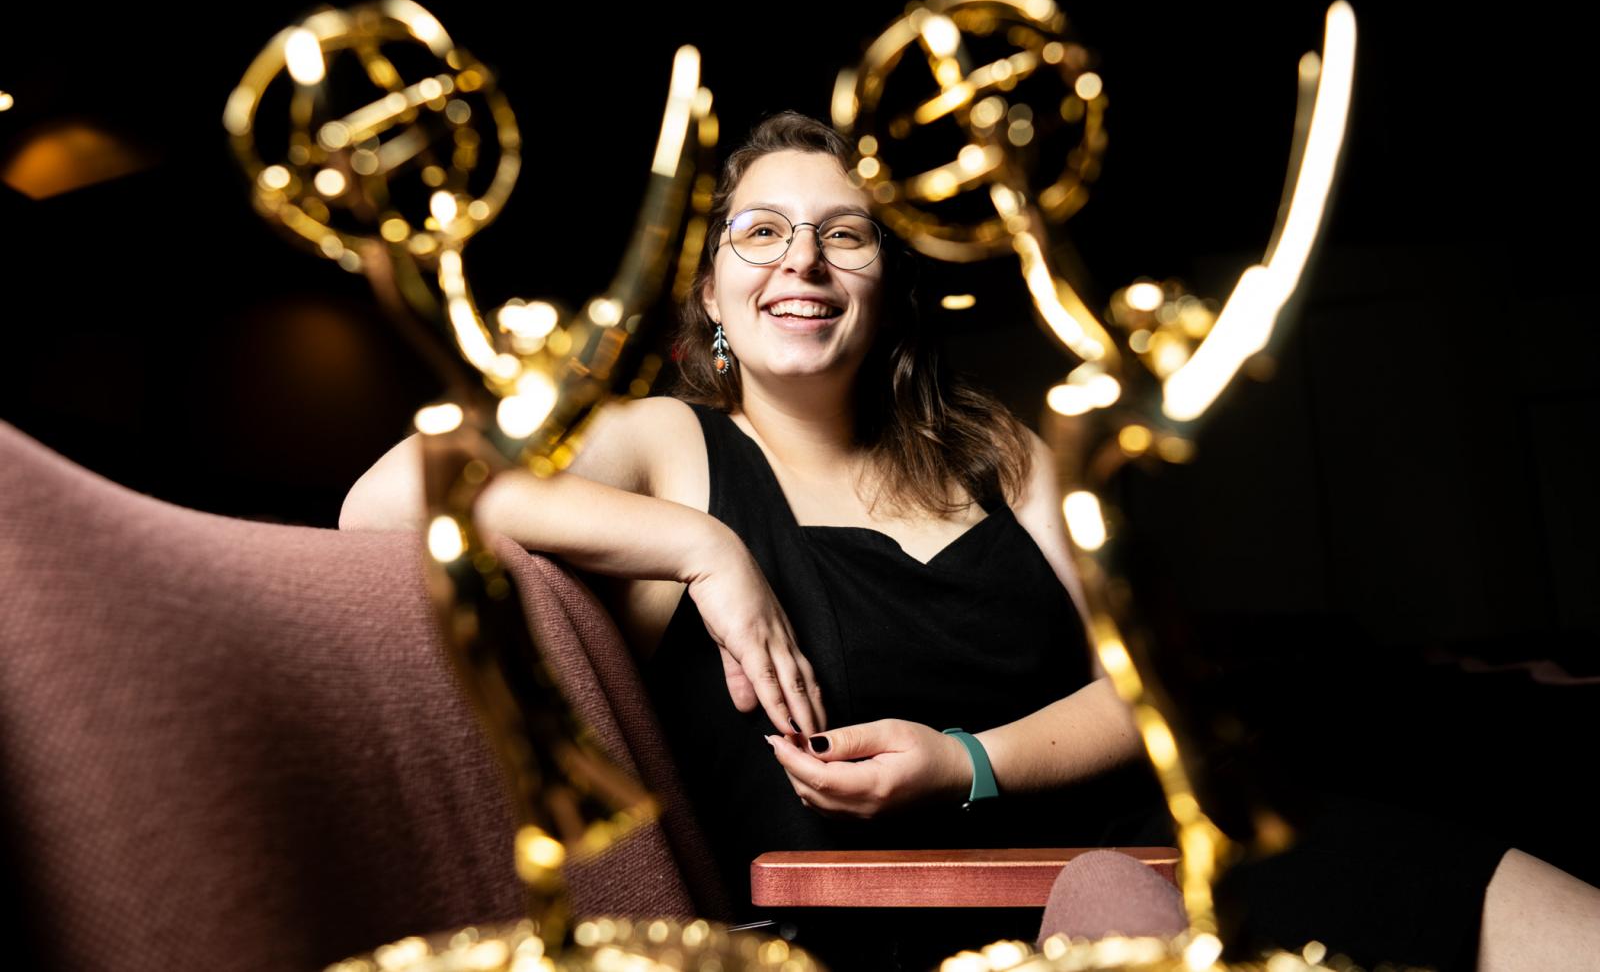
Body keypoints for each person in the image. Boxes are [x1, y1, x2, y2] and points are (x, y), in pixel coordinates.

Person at [340, 111, 1600, 971]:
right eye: (760, 231)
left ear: (887, 282)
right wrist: (703, 546)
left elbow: (1152, 684)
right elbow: (390, 493)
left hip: (1145, 842)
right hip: (921, 919)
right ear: (712, 290)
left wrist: (968, 761)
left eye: (845, 231)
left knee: (1508, 893)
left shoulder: (995, 448)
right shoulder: (670, 442)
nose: (802, 260)